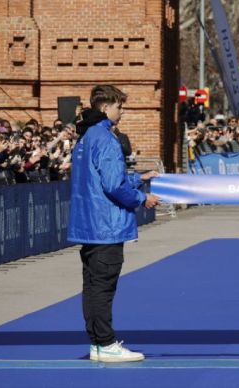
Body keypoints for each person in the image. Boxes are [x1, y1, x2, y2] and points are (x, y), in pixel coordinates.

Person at [67, 85, 161, 363]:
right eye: (120, 106)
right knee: (103, 287)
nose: (123, 112)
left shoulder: (85, 138)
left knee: (93, 286)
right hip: (105, 224)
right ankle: (106, 343)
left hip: (90, 223)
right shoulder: (106, 139)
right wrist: (140, 198)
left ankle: (98, 342)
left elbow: (103, 180)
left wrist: (138, 179)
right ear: (106, 107)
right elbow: (112, 185)